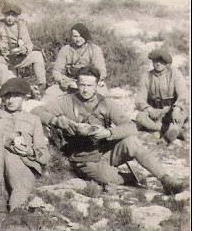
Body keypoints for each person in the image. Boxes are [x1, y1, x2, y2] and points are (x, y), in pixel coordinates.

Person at [32, 67, 187, 195]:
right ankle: (128, 178)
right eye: (82, 85)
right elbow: (36, 111)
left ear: (97, 84)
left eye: (90, 85)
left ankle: (166, 180)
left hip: (106, 150)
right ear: (77, 83)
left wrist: (108, 133)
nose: (85, 89)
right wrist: (57, 121)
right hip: (83, 158)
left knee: (131, 142)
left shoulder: (106, 102)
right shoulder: (66, 101)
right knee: (106, 177)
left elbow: (131, 127)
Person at [0, 78, 50, 213]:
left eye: (16, 96)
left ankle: (15, 219)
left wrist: (29, 151)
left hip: (19, 161)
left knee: (21, 188)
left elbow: (44, 156)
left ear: (24, 98)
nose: (10, 100)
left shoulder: (33, 120)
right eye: (7, 96)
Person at [135, 49, 189, 144]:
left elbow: (183, 94)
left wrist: (176, 109)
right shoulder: (146, 77)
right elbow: (139, 99)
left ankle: (168, 135)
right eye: (155, 61)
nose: (158, 64)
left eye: (161, 61)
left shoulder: (175, 73)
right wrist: (149, 109)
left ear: (166, 63)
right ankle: (170, 130)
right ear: (152, 62)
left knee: (184, 111)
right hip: (155, 112)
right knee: (140, 117)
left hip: (172, 110)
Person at [0, 3, 46, 95]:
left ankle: (41, 87)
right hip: (1, 58)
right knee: (2, 68)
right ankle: (5, 94)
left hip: (16, 57)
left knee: (37, 55)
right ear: (4, 15)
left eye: (13, 15)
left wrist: (25, 49)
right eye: (8, 15)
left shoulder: (21, 25)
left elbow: (29, 44)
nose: (10, 18)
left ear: (17, 16)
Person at [45, 23, 108, 101]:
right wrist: (63, 80)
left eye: (80, 36)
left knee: (103, 94)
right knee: (49, 93)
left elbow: (102, 71)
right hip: (70, 82)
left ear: (85, 36)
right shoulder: (65, 49)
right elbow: (56, 71)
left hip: (88, 82)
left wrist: (93, 81)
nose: (77, 39)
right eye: (75, 36)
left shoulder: (94, 49)